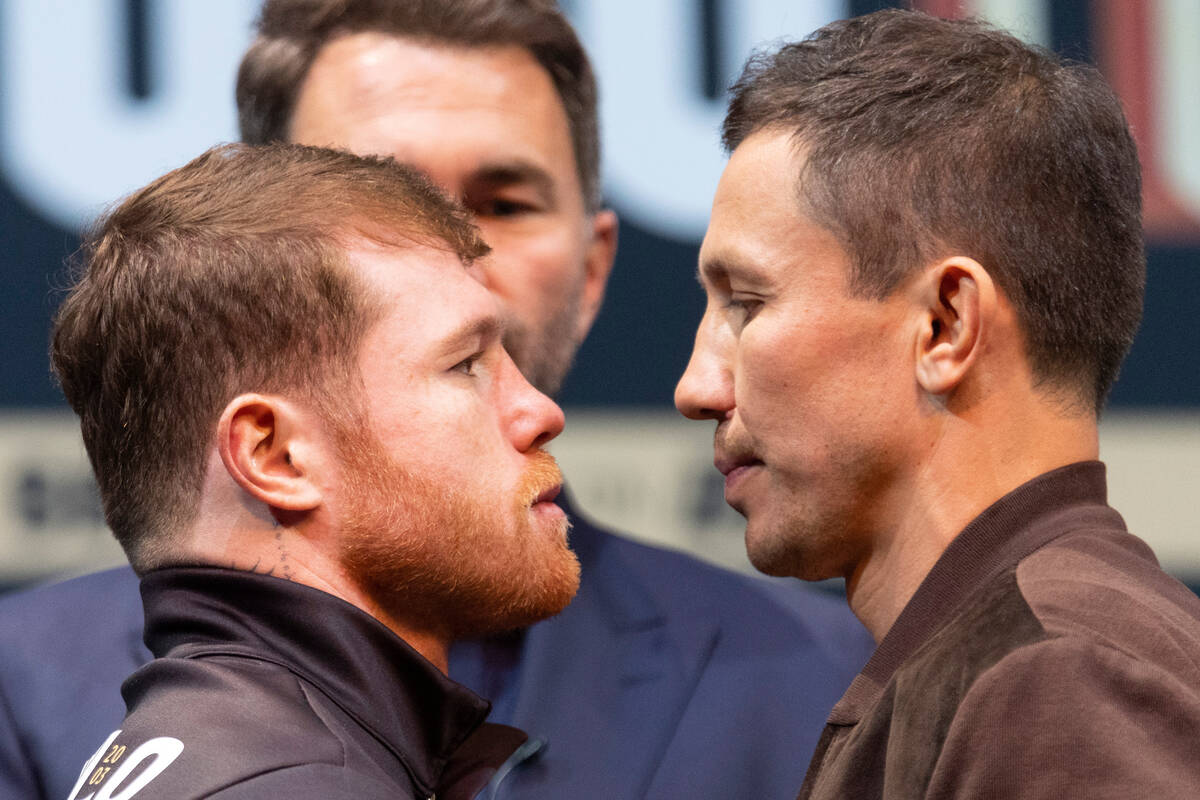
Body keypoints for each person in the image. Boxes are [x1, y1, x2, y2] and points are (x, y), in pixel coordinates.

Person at [0, 2, 873, 799]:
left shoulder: (821, 675)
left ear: (595, 265)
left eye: (504, 202)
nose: (455, 251)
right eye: (372, 193)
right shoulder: (26, 681)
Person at [675, 9, 1200, 798]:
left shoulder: (1058, 683)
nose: (695, 388)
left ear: (945, 325)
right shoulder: (1015, 663)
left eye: (747, 305)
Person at [52, 142, 577, 798]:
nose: (539, 411)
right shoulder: (292, 782)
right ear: (276, 456)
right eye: (465, 364)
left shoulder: (211, 752)